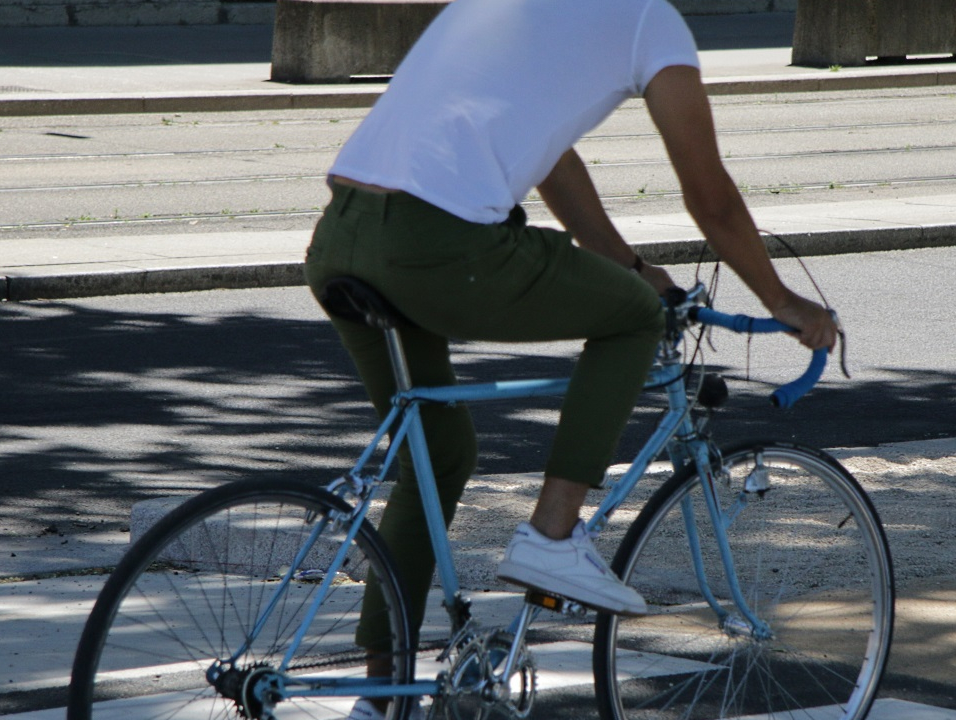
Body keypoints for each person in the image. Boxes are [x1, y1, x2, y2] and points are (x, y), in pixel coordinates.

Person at [304, 0, 838, 716]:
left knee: (434, 450)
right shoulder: (651, 19)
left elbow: (548, 156)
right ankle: (553, 536)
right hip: (438, 245)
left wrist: (628, 262)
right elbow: (710, 198)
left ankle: (382, 696)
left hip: (340, 234)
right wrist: (780, 299)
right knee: (632, 317)